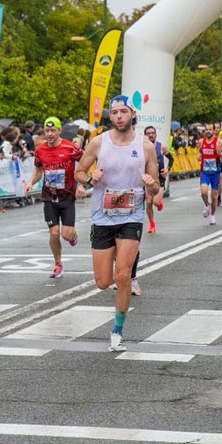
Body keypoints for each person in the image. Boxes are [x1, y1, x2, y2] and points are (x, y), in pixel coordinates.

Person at [73, 95, 162, 352]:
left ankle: (117, 330)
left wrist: (151, 185)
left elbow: (155, 185)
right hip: (102, 216)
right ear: (110, 116)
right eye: (115, 113)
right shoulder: (98, 143)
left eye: (124, 111)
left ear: (132, 114)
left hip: (131, 216)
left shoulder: (145, 146)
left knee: (123, 275)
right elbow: (79, 172)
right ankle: (114, 260)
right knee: (103, 282)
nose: (119, 116)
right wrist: (90, 179)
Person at [24, 117, 85, 277]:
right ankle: (58, 263)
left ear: (59, 131)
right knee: (54, 233)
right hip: (49, 198)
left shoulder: (71, 147)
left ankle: (73, 235)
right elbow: (38, 170)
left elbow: (85, 164)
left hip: (67, 196)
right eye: (47, 130)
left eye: (53, 130)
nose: (49, 134)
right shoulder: (40, 150)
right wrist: (30, 182)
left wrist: (81, 184)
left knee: (66, 234)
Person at [196, 123, 222, 225]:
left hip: (215, 173)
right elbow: (199, 152)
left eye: (210, 130)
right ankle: (206, 204)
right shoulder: (201, 141)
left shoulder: (219, 142)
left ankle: (213, 215)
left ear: (214, 130)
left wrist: (220, 154)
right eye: (207, 130)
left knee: (214, 196)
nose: (208, 132)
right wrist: (199, 156)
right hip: (205, 171)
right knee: (204, 192)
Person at [143, 125, 171, 232]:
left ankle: (159, 202)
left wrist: (167, 169)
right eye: (148, 133)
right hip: (149, 179)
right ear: (145, 136)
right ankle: (152, 224)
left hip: (160, 178)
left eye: (152, 133)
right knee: (148, 202)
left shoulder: (162, 147)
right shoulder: (142, 148)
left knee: (155, 202)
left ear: (155, 134)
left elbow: (171, 159)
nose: (151, 135)